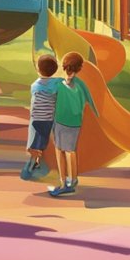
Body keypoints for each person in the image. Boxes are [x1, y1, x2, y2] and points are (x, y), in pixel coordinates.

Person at [49, 52, 98, 197]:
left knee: (61, 150)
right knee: (69, 151)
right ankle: (72, 179)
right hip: (74, 122)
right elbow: (91, 103)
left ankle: (64, 182)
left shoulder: (58, 84)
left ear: (64, 66)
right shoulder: (80, 84)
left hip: (61, 121)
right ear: (79, 68)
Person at [22, 54, 61, 180]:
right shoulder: (57, 84)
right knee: (42, 141)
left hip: (36, 119)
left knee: (34, 142)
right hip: (48, 119)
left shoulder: (35, 85)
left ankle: (32, 163)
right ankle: (37, 160)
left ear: (38, 69)